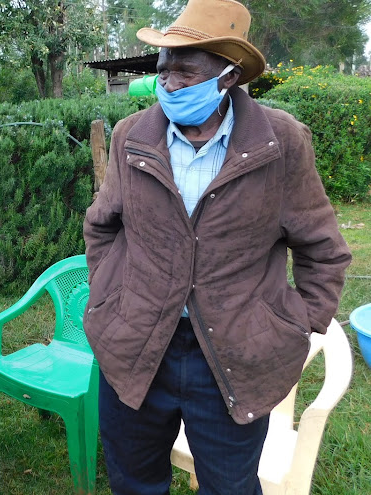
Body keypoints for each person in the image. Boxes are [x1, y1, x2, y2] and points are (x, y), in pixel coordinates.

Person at [83, 0, 352, 494]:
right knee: (133, 481)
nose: (168, 84)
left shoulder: (282, 142)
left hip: (235, 350)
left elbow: (323, 250)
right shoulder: (130, 137)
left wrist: (291, 322)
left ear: (228, 77)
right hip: (138, 341)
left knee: (230, 486)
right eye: (164, 71)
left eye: (185, 73)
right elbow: (102, 227)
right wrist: (112, 296)